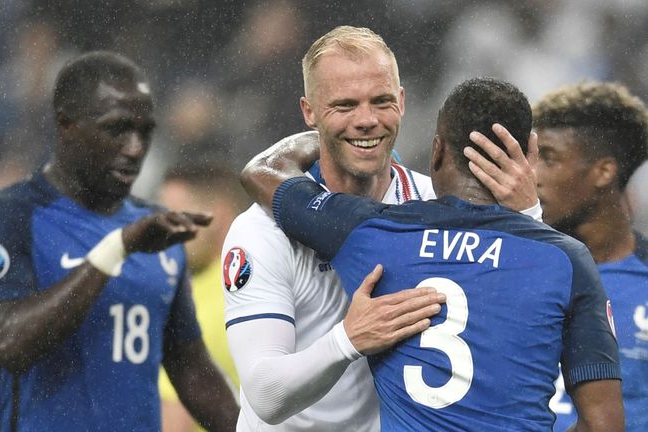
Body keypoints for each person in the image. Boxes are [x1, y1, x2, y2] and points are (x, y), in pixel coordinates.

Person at [241, 77, 625, 431]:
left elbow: (263, 171)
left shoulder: (373, 233)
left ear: (437, 151)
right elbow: (603, 424)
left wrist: (331, 135)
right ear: (530, 156)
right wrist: (531, 217)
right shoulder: (565, 260)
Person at [222, 26, 541, 431]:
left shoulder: (436, 205)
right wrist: (349, 339)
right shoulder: (261, 230)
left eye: (381, 101)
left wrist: (529, 214)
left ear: (403, 101)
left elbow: (522, 305)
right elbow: (265, 396)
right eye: (344, 105)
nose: (367, 120)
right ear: (309, 112)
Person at [0, 51, 239, 431]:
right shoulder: (8, 217)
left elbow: (191, 370)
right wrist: (116, 250)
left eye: (145, 131)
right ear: (65, 124)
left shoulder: (154, 231)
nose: (135, 148)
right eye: (117, 129)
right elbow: (8, 341)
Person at [467, 81, 648, 431]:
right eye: (531, 157)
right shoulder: (495, 265)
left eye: (549, 158)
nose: (532, 175)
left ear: (604, 172)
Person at [158, 163, 250, 432]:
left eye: (175, 217)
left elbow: (174, 422)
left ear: (218, 216)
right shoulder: (268, 282)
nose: (165, 230)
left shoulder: (196, 307)